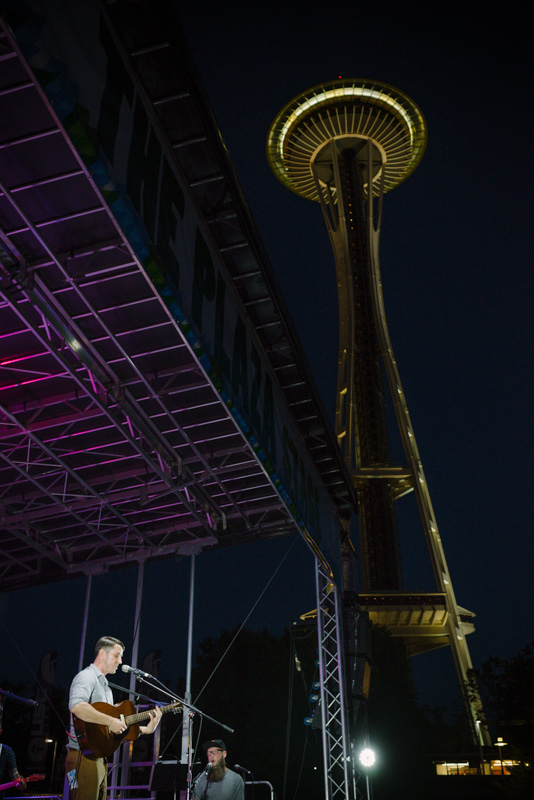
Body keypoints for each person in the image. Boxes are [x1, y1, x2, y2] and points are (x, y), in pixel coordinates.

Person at [65, 636, 161, 800]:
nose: (120, 661)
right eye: (117, 655)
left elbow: (114, 729)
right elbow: (77, 707)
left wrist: (147, 729)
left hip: (98, 758)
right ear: (102, 653)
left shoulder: (106, 689)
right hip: (83, 756)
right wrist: (111, 721)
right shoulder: (87, 677)